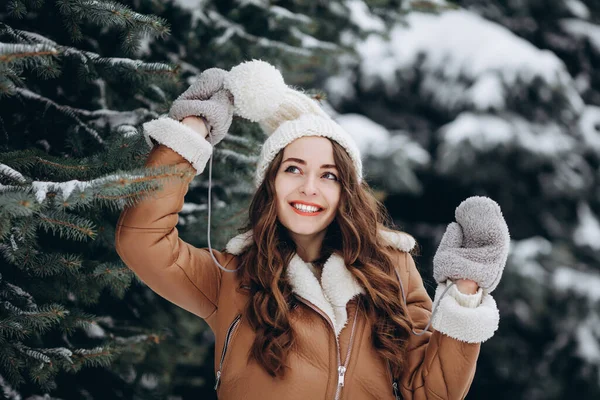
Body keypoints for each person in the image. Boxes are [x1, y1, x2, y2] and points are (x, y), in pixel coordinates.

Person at [115, 60, 509, 400]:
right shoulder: (231, 277)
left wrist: (465, 293)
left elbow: (429, 391)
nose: (309, 188)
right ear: (270, 183)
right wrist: (189, 134)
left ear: (347, 193)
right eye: (293, 169)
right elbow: (142, 240)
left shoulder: (391, 271)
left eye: (329, 175)